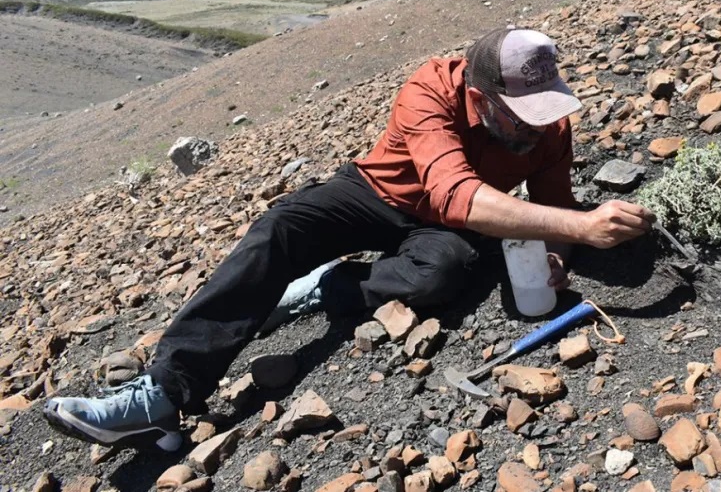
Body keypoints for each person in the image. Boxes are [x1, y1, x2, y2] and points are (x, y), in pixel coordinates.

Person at [43, 27, 656, 451]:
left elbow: (553, 203)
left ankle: (324, 288)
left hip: (447, 227)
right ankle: (163, 393)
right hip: (374, 195)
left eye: (544, 111)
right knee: (280, 228)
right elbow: (451, 190)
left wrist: (558, 250)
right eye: (520, 114)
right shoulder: (431, 89)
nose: (537, 126)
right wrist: (581, 227)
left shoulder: (549, 121)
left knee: (439, 276)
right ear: (478, 95)